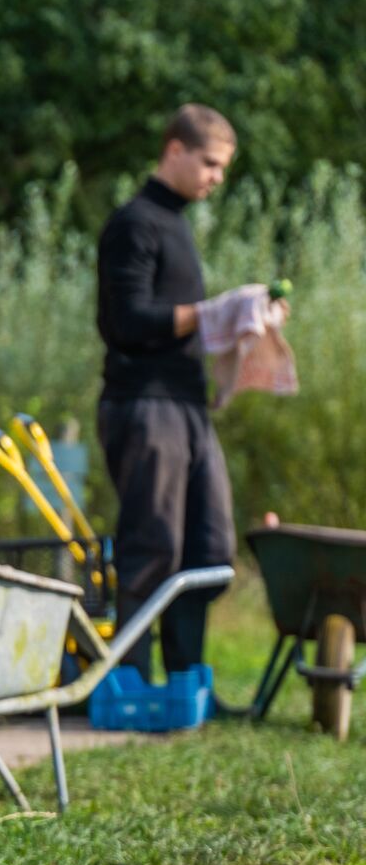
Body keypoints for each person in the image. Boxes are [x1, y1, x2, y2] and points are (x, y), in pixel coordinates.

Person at [95, 103, 280, 683]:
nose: (217, 178)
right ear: (174, 149)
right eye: (210, 164)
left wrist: (235, 321)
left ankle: (185, 679)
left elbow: (185, 320)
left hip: (186, 407)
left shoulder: (177, 225)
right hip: (144, 404)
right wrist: (208, 313)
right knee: (152, 546)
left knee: (209, 546)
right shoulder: (135, 223)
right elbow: (123, 322)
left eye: (223, 168)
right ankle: (128, 681)